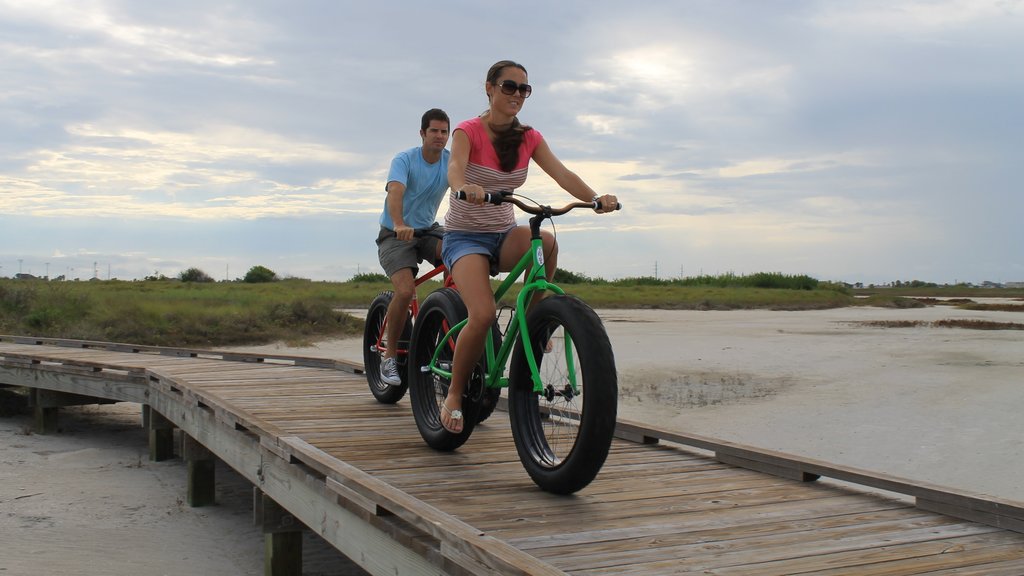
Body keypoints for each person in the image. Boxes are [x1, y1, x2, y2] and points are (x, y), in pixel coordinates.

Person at [440, 60, 618, 433]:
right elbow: (454, 167)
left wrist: (595, 197)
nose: (517, 95)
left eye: (525, 89)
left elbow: (562, 173)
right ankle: (455, 393)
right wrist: (465, 187)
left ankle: (534, 327)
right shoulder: (468, 131)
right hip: (464, 237)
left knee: (547, 244)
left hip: (504, 232)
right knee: (483, 314)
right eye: (509, 87)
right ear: (489, 88)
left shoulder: (529, 138)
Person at [376, 108, 451, 386]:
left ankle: (448, 328)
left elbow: (463, 187)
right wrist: (398, 222)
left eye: (444, 131)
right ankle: (390, 358)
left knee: (461, 258)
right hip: (395, 233)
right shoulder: (405, 159)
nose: (439, 136)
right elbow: (395, 191)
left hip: (428, 229)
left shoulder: (450, 161)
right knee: (406, 290)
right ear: (422, 133)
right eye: (434, 131)